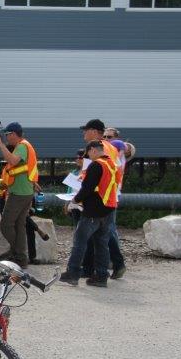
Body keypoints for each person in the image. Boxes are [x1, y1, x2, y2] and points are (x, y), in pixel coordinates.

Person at [60, 140, 118, 287]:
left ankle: (72, 273)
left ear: (92, 150)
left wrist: (74, 201)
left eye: (88, 155)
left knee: (79, 241)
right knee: (101, 244)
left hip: (94, 210)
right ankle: (101, 276)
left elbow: (87, 188)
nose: (87, 158)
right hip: (109, 209)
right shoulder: (111, 163)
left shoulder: (96, 165)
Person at [80, 119, 126, 279]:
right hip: (111, 194)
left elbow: (87, 175)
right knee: (105, 231)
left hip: (98, 197)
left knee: (100, 232)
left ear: (94, 131)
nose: (83, 133)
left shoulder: (95, 148)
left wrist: (78, 195)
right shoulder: (111, 147)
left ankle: (111, 265)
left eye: (85, 130)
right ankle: (98, 267)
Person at [0, 122, 38, 268]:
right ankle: (21, 259)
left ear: (13, 134)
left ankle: (18, 253)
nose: (6, 138)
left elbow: (12, 160)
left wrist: (0, 144)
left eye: (7, 135)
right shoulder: (26, 146)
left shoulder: (22, 146)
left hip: (19, 193)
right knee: (19, 226)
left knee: (6, 224)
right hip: (25, 192)